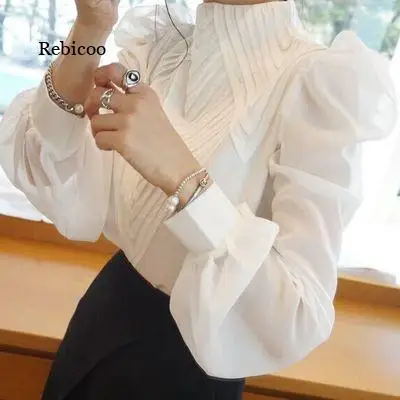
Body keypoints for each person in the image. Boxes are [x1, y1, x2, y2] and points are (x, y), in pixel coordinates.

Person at [0, 0, 397, 398]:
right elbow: (48, 159)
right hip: (103, 319)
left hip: (191, 365)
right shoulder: (161, 45)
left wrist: (183, 177)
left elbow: (299, 313)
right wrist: (92, 25)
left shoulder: (318, 85)